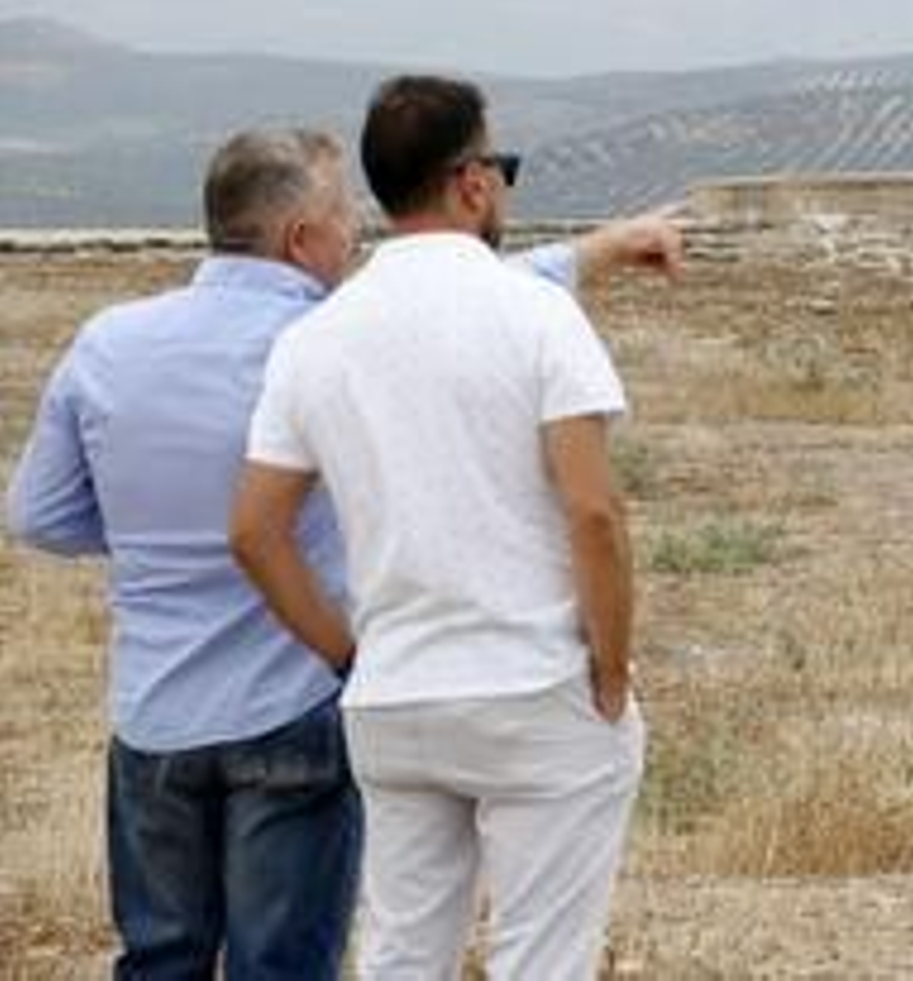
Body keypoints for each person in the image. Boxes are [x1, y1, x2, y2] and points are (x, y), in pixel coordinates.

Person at [5, 125, 682, 979]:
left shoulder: (108, 341)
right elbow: (475, 302)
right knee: (285, 962)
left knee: (160, 957)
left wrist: (153, 541)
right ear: (300, 238)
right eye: (342, 216)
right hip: (293, 699)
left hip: (153, 715)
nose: (357, 231)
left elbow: (36, 514)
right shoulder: (323, 340)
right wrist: (607, 248)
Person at [229, 74, 649, 979]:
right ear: (472, 181)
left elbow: (257, 530)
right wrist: (611, 667)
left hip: (395, 691)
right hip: (533, 683)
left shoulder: (315, 338)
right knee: (542, 956)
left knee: (401, 955)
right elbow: (592, 508)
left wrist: (348, 653)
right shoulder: (537, 312)